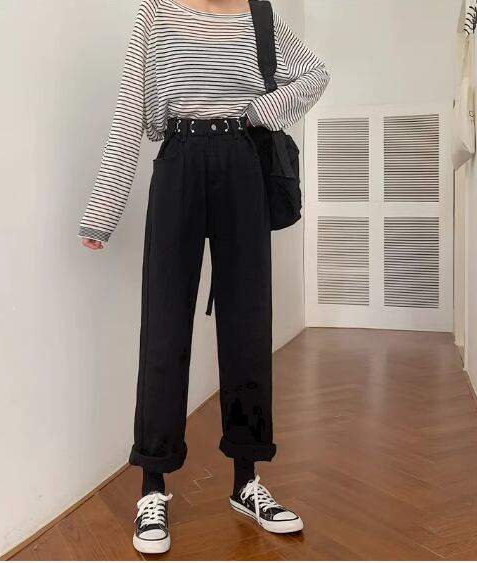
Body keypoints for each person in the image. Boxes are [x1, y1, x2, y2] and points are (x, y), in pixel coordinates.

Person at [78, 0, 329, 554]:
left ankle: (246, 480)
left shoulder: (258, 12)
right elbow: (131, 110)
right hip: (179, 163)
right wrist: (103, 210)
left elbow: (315, 74)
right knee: (164, 328)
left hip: (242, 165)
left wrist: (259, 112)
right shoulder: (156, 11)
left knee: (248, 325)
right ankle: (153, 484)